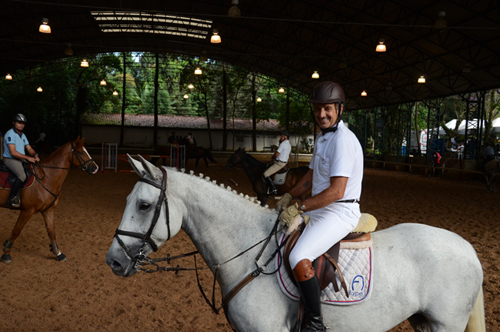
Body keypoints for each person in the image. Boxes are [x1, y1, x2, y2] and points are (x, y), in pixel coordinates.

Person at [276, 81, 363, 332]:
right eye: (317, 109)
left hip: (340, 211)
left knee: (297, 255)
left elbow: (336, 192)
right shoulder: (323, 138)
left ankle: (315, 323)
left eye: (327, 109)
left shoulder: (343, 141)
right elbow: (310, 178)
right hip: (320, 209)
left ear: (339, 109)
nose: (321, 114)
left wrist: (299, 208)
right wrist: (288, 196)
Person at [2, 113, 40, 208]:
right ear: (13, 122)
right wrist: (28, 158)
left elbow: (29, 148)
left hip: (20, 159)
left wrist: (35, 154)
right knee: (22, 175)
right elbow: (13, 152)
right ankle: (11, 199)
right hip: (10, 159)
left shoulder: (22, 135)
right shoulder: (10, 134)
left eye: (23, 123)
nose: (21, 125)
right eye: (19, 122)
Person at [262, 130, 292, 195]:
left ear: (285, 137)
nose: (280, 137)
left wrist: (272, 159)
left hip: (279, 163)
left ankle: (273, 188)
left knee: (266, 174)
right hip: (283, 163)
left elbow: (276, 154)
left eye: (282, 136)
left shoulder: (283, 144)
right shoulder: (289, 144)